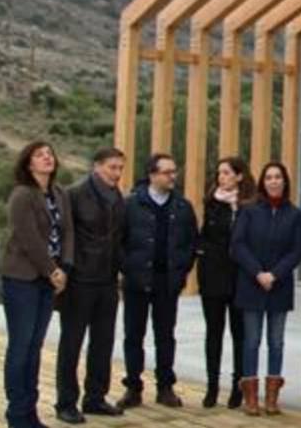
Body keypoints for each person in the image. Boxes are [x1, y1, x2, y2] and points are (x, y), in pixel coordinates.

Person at [119, 153, 199, 410]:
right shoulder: (131, 204)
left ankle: (165, 387)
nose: (172, 176)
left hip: (167, 282)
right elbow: (118, 241)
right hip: (136, 281)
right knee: (134, 335)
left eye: (174, 171)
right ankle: (133, 388)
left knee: (165, 336)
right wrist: (128, 268)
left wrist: (181, 272)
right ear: (152, 174)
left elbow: (191, 243)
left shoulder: (182, 207)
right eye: (167, 172)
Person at [2, 141, 73, 428]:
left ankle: (30, 413)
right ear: (28, 163)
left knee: (35, 347)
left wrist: (64, 268)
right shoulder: (22, 194)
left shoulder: (59, 193)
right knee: (20, 347)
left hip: (49, 280)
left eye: (49, 154)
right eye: (39, 155)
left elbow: (68, 233)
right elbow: (28, 237)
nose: (47, 158)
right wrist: (51, 270)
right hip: (22, 279)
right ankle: (17, 414)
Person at [54, 147, 127, 423]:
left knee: (103, 343)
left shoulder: (118, 197)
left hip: (108, 281)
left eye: (120, 168)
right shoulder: (74, 194)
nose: (117, 173)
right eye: (112, 167)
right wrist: (64, 272)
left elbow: (119, 237)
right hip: (79, 281)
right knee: (71, 344)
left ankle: (95, 398)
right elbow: (63, 236)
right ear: (96, 166)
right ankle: (65, 402)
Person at [231, 162, 301, 416]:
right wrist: (258, 272)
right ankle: (251, 398)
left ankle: (272, 398)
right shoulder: (249, 211)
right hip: (252, 284)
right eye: (269, 177)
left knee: (276, 342)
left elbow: (297, 250)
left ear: (285, 182)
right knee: (251, 341)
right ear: (263, 182)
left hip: (279, 286)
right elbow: (238, 245)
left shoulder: (294, 214)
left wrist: (275, 274)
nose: (274, 181)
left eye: (278, 177)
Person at [197, 156, 256, 409]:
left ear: (240, 176)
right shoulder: (211, 202)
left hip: (240, 277)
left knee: (239, 334)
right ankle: (212, 386)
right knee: (214, 333)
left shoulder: (250, 206)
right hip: (213, 276)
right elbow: (205, 237)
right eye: (219, 173)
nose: (221, 177)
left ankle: (237, 386)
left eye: (227, 173)